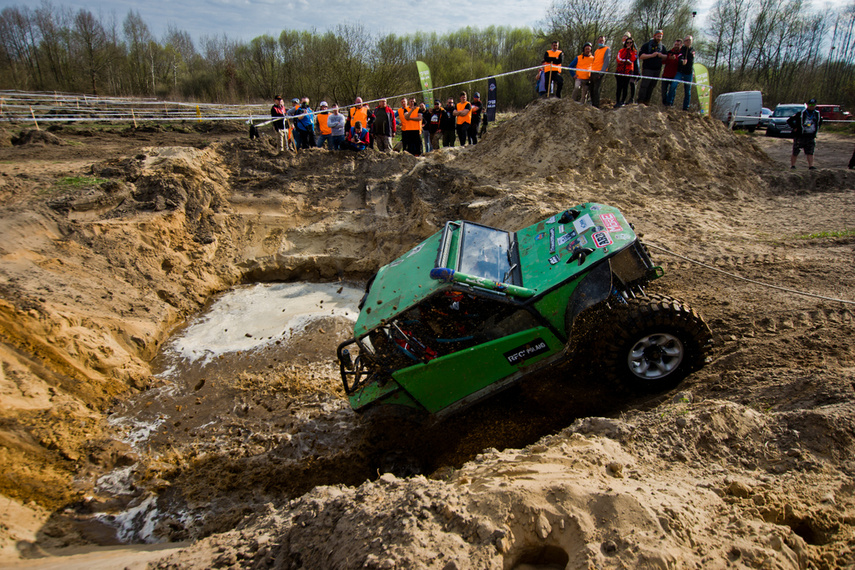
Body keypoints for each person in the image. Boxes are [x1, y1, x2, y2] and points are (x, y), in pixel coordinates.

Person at [787, 98, 823, 169]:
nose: (811, 106)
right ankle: (793, 165)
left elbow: (820, 122)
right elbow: (789, 120)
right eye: (810, 104)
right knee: (796, 151)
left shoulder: (817, 114)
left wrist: (816, 129)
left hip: (810, 136)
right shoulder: (801, 113)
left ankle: (811, 165)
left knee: (810, 152)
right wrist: (795, 127)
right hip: (800, 136)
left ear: (815, 105)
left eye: (813, 105)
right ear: (807, 105)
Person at [638, 30, 667, 106]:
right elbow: (640, 56)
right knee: (645, 85)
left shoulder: (662, 47)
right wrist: (651, 55)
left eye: (660, 37)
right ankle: (640, 101)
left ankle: (647, 101)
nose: (659, 38)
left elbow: (667, 57)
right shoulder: (647, 45)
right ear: (654, 36)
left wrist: (661, 56)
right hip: (648, 68)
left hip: (657, 69)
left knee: (652, 86)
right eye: (658, 36)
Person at [668, 35, 695, 110]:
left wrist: (693, 71)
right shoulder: (682, 49)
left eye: (689, 40)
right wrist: (682, 61)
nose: (688, 42)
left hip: (689, 73)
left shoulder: (693, 50)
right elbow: (680, 57)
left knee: (688, 91)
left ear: (691, 41)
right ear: (684, 42)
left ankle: (686, 107)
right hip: (680, 72)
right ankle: (669, 103)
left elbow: (692, 62)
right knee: (673, 85)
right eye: (686, 40)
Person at [615, 35, 637, 107]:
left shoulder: (634, 51)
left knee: (625, 87)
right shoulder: (621, 50)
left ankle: (622, 101)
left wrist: (629, 52)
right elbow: (618, 59)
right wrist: (624, 60)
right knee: (619, 87)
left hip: (628, 71)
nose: (629, 44)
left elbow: (632, 59)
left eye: (630, 43)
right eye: (627, 42)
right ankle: (617, 101)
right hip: (620, 70)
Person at [590, 36, 611, 108]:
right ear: (597, 41)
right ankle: (592, 103)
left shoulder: (607, 49)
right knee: (591, 88)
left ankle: (596, 104)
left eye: (602, 41)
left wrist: (601, 73)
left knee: (596, 89)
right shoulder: (596, 51)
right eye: (600, 40)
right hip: (593, 71)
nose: (601, 42)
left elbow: (606, 62)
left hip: (599, 72)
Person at [661, 38, 683, 106]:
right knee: (663, 91)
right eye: (675, 44)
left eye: (678, 45)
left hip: (675, 75)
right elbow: (663, 62)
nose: (676, 46)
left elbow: (682, 64)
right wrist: (668, 58)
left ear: (681, 45)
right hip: (666, 74)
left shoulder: (682, 54)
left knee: (672, 91)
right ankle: (664, 103)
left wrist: (676, 59)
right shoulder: (669, 52)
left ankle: (670, 104)